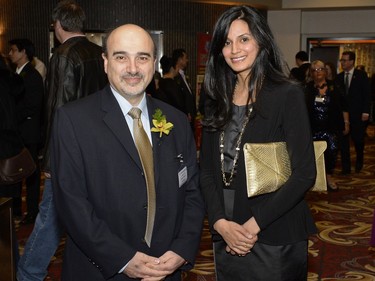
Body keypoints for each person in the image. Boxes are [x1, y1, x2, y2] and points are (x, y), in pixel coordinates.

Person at [51, 23, 205, 281]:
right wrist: (121, 258)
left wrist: (182, 248)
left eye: (142, 58)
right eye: (121, 57)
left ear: (154, 62)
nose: (133, 69)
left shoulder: (176, 121)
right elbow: (71, 203)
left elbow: (192, 192)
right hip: (101, 269)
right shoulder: (73, 120)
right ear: (105, 62)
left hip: (165, 269)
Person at [200, 6, 317, 280]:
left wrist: (252, 226)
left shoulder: (287, 94)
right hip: (226, 229)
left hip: (274, 231)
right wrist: (219, 223)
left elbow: (304, 175)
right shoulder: (216, 97)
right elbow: (205, 170)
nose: (234, 49)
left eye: (244, 39)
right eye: (226, 42)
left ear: (261, 41)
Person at [17, 1, 108, 280]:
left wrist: (51, 160)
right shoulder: (99, 53)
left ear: (58, 25)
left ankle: (29, 272)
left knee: (51, 217)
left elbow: (58, 109)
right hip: (98, 150)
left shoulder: (64, 55)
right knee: (92, 215)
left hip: (69, 153)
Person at [8, 38, 44, 223]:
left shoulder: (33, 76)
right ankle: (14, 209)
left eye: (13, 50)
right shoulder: (14, 74)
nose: (10, 54)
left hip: (28, 133)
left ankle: (32, 212)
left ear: (24, 52)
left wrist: (12, 117)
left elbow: (32, 106)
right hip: (17, 133)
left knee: (31, 174)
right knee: (14, 172)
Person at [304, 60, 349, 191]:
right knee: (312, 155)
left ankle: (328, 176)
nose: (318, 72)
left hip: (331, 128)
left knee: (331, 152)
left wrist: (346, 122)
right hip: (312, 128)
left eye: (320, 69)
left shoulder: (335, 87)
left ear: (325, 71)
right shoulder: (307, 89)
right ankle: (314, 179)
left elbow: (344, 106)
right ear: (311, 73)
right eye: (314, 70)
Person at [0, 55, 25, 270]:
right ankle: (12, 267)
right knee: (6, 218)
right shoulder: (12, 82)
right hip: (10, 148)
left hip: (3, 152)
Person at [336, 51, 371, 174]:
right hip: (343, 116)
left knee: (358, 140)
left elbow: (367, 95)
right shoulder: (339, 77)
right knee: (344, 143)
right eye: (342, 60)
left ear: (351, 61)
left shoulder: (361, 75)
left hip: (358, 114)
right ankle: (346, 168)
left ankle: (359, 161)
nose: (342, 63)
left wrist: (366, 111)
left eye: (345, 60)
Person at [172, 48, 196, 130]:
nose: (187, 60)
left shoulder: (184, 76)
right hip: (183, 117)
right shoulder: (175, 78)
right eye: (185, 58)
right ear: (180, 60)